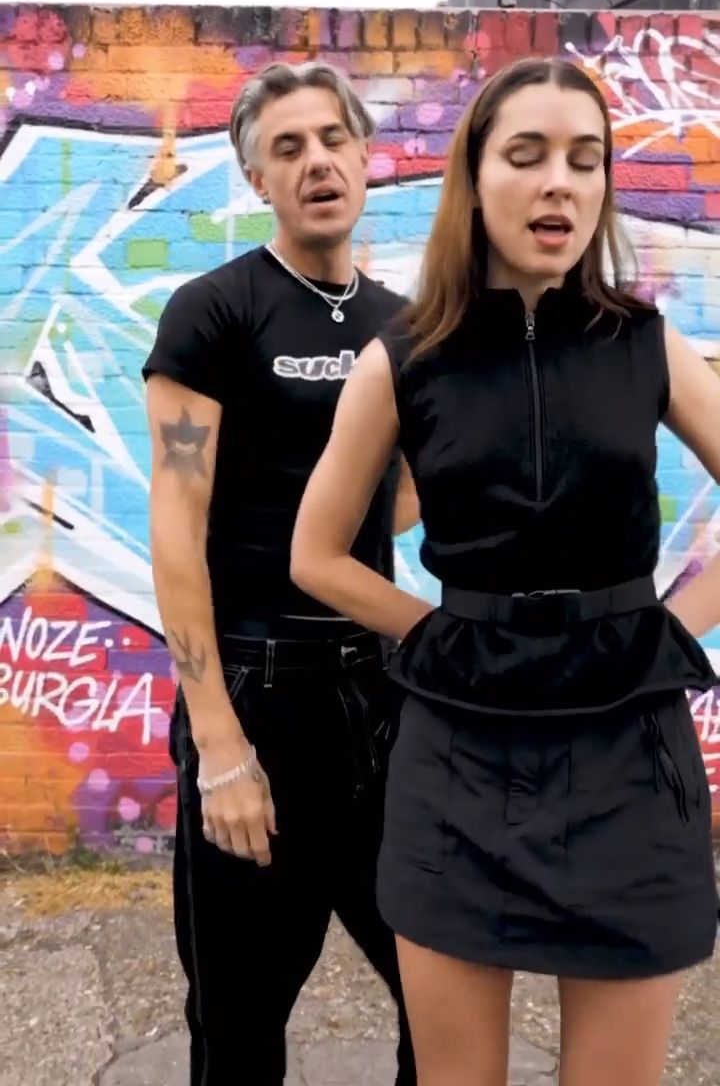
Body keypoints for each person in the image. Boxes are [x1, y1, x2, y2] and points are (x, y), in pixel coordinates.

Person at [290, 55, 720, 1086]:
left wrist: (676, 625)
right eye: (526, 155)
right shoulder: (404, 357)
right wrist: (434, 631)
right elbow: (315, 554)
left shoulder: (646, 343)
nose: (558, 182)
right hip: (461, 756)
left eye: (585, 158)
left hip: (627, 751)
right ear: (475, 177)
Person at [142, 60, 418, 1086]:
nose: (317, 163)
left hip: (382, 710)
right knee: (238, 1024)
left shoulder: (407, 326)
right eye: (288, 148)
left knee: (443, 997)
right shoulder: (213, 312)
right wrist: (219, 744)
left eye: (333, 139)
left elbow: (404, 498)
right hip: (255, 707)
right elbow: (176, 532)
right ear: (257, 178)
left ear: (366, 156)